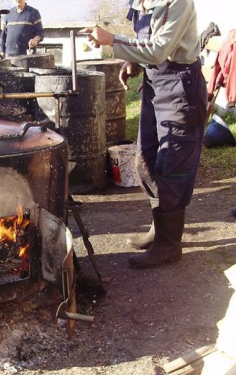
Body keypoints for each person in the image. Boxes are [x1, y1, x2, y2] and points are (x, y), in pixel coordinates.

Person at [81, 0, 208, 268]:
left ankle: (169, 244)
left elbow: (160, 49)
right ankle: (159, 227)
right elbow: (147, 40)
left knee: (172, 164)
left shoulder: (177, 2)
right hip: (155, 86)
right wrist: (133, 61)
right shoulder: (141, 2)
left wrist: (111, 39)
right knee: (146, 160)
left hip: (180, 85)